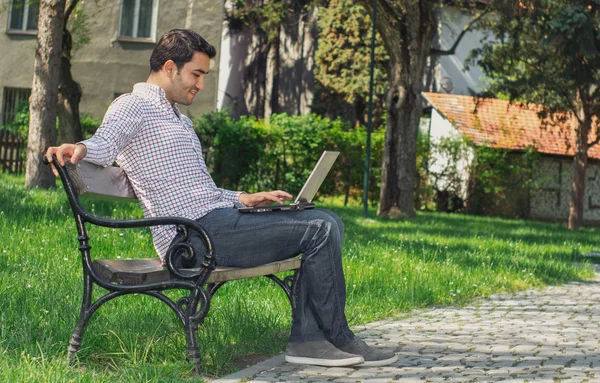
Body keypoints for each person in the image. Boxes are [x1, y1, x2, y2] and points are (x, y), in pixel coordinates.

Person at [45, 29, 397, 368]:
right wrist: (78, 148)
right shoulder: (133, 105)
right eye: (196, 74)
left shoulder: (180, 121)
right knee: (319, 228)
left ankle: (313, 339)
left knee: (326, 219)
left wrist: (244, 197)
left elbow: (203, 190)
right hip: (190, 238)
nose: (200, 84)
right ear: (169, 68)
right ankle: (330, 337)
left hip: (214, 221)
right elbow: (105, 141)